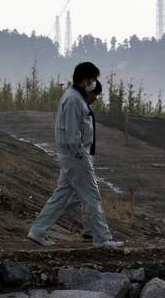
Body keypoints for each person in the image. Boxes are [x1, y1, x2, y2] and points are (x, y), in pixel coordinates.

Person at [27, 62, 123, 248]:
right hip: (76, 156)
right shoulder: (73, 100)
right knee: (92, 196)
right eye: (93, 80)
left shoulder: (76, 98)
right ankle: (103, 238)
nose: (94, 83)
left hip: (73, 156)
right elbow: (72, 135)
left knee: (63, 196)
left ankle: (38, 231)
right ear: (85, 79)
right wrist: (82, 157)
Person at [64, 80, 102, 241]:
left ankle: (89, 229)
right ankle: (91, 230)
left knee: (78, 194)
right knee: (88, 193)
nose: (96, 98)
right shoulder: (78, 108)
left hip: (86, 155)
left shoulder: (86, 109)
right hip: (81, 156)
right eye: (95, 94)